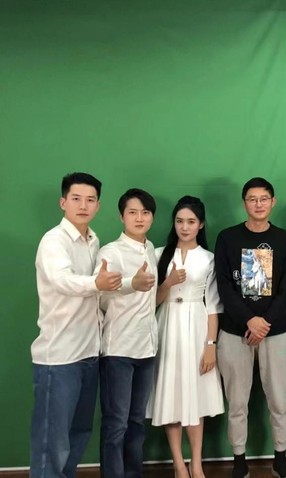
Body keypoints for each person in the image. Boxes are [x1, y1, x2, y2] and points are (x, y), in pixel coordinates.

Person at [30, 172, 122, 478]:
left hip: (89, 354)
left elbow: (97, 292)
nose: (83, 205)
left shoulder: (93, 241)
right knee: (52, 443)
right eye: (76, 199)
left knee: (79, 433)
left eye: (90, 200)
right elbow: (63, 280)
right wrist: (97, 283)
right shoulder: (53, 241)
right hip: (59, 358)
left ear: (98, 206)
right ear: (63, 203)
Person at [214, 177, 286, 478]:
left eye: (264, 198)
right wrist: (249, 320)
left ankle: (281, 457)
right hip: (235, 331)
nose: (258, 204)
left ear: (273, 202)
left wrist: (264, 323)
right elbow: (223, 285)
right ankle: (239, 460)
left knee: (279, 399)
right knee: (237, 401)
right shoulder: (228, 238)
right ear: (244, 202)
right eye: (252, 199)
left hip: (276, 331)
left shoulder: (284, 239)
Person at [147, 196, 225, 478]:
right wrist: (167, 283)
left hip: (197, 326)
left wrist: (211, 345)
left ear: (200, 224)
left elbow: (213, 306)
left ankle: (197, 463)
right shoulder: (158, 254)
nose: (184, 227)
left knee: (195, 395)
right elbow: (152, 302)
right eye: (180, 221)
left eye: (191, 221)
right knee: (170, 392)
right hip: (167, 324)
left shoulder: (209, 258)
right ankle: (178, 464)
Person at [96, 188, 158, 478]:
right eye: (132, 212)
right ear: (121, 216)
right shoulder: (110, 252)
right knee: (116, 423)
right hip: (118, 349)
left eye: (145, 212)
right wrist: (132, 283)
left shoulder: (150, 248)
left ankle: (133, 473)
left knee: (136, 421)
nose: (139, 218)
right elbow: (100, 296)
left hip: (147, 348)